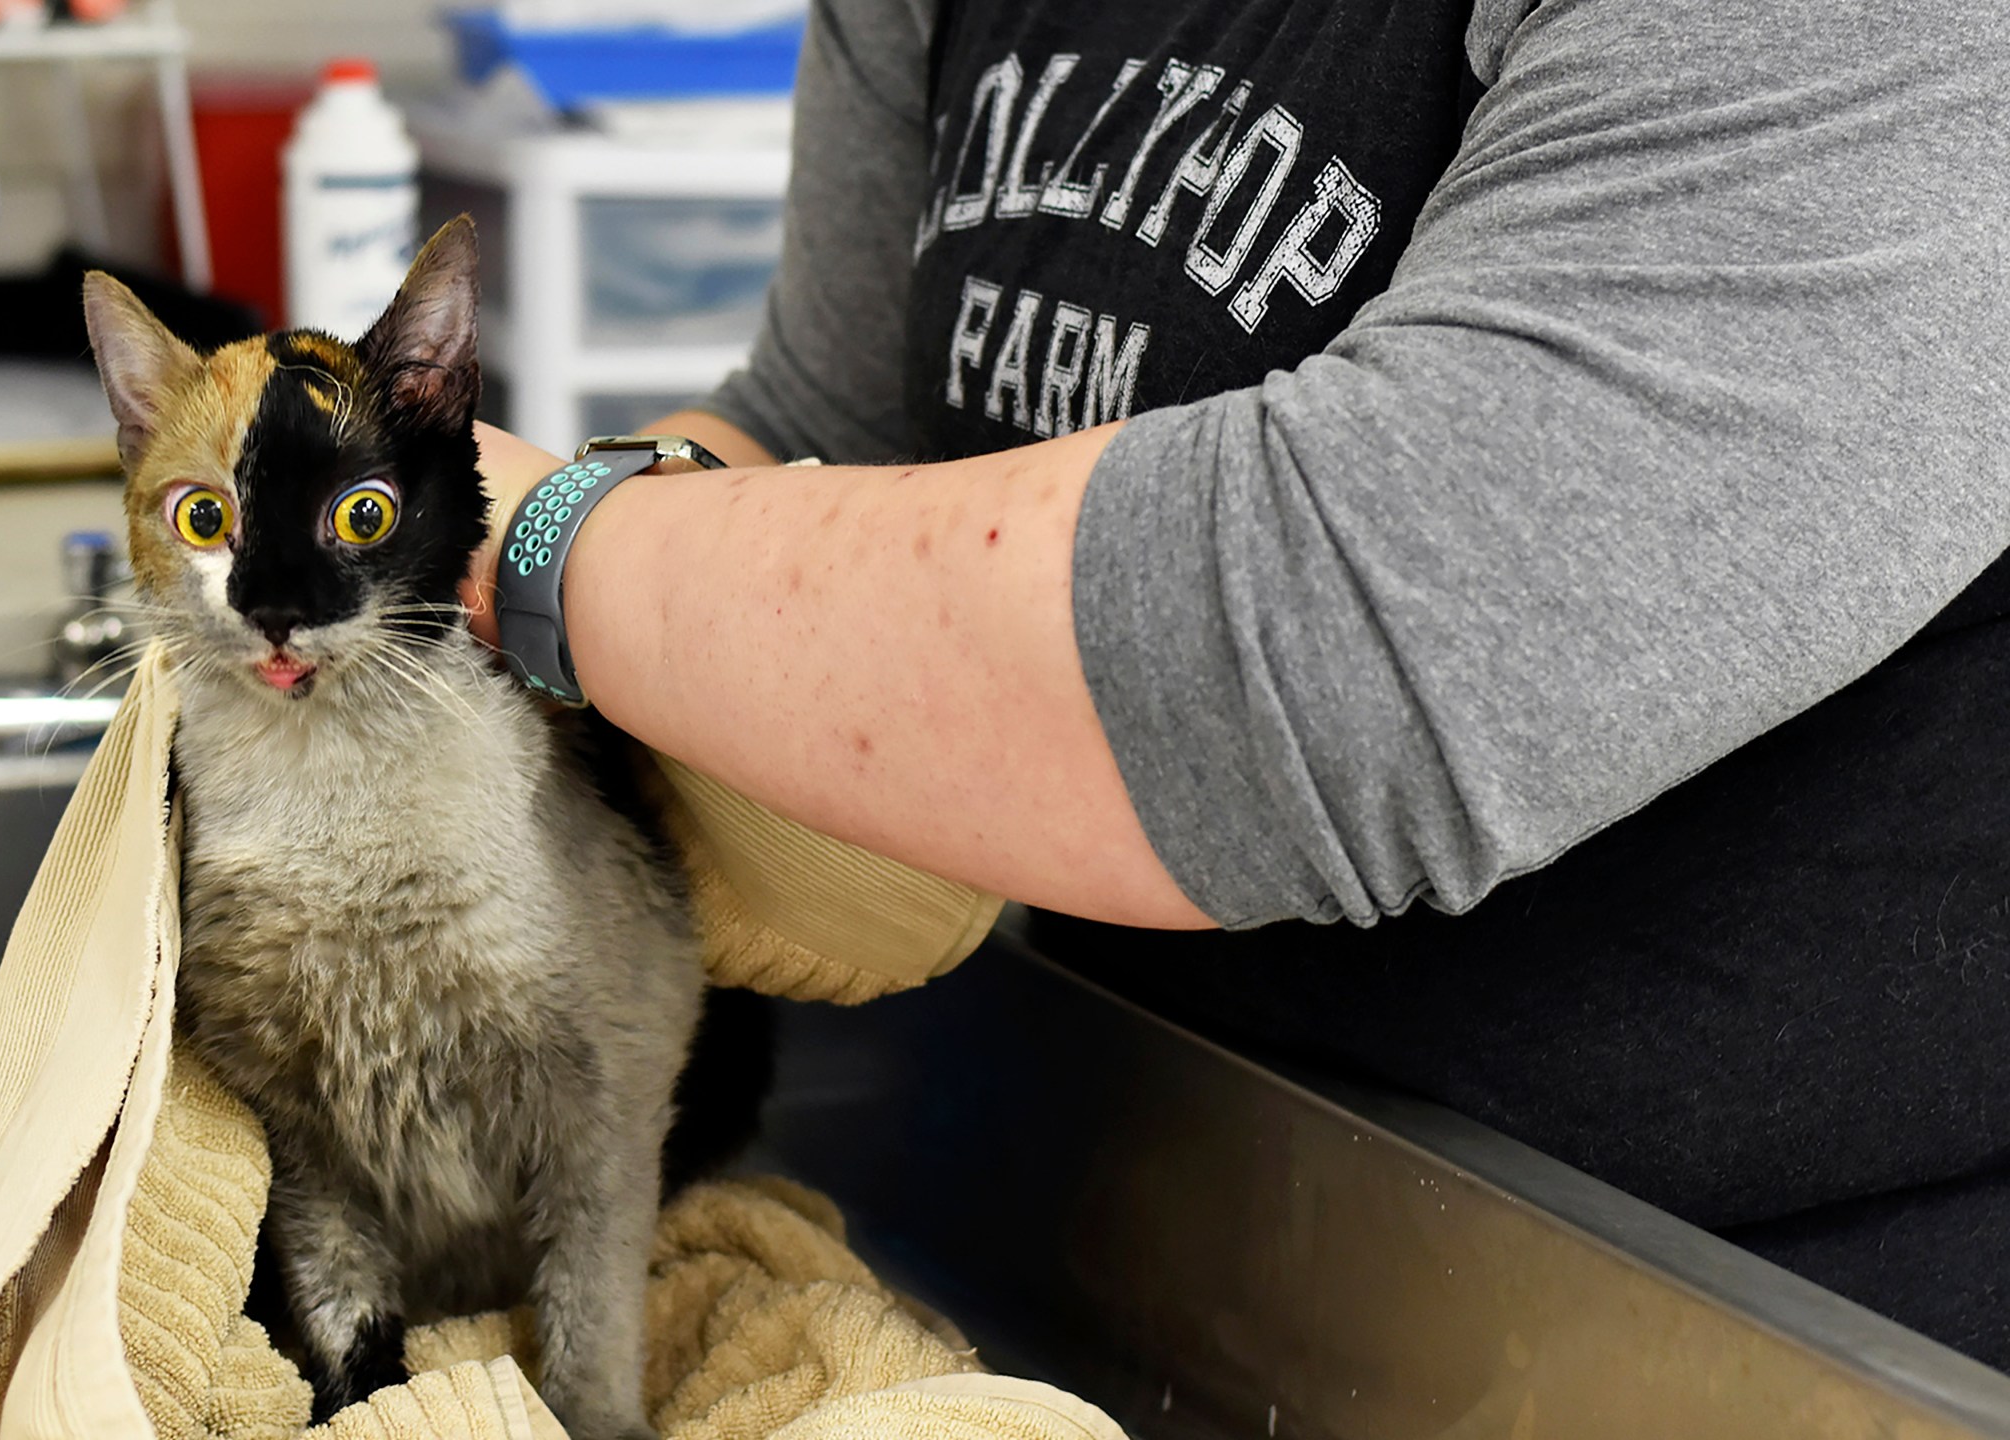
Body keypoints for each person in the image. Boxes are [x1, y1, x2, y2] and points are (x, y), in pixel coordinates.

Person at [459, 0, 2010, 1361]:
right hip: (1132, 1229)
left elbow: (1352, 646)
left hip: (1755, 1334)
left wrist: (517, 545)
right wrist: (440, 665)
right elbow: (826, 419)